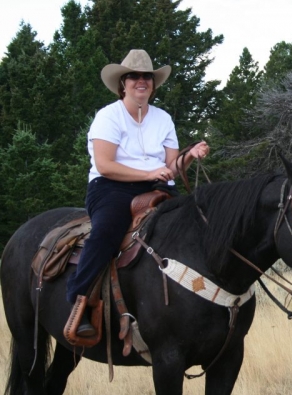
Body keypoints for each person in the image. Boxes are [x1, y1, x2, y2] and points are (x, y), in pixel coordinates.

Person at [66, 49, 210, 337]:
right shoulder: (108, 116)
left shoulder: (163, 118)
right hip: (111, 187)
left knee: (196, 225)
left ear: (153, 84)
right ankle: (80, 301)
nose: (141, 81)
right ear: (123, 83)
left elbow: (171, 167)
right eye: (134, 76)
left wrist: (190, 155)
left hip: (156, 186)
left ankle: (201, 302)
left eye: (147, 76)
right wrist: (148, 174)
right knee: (106, 231)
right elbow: (105, 165)